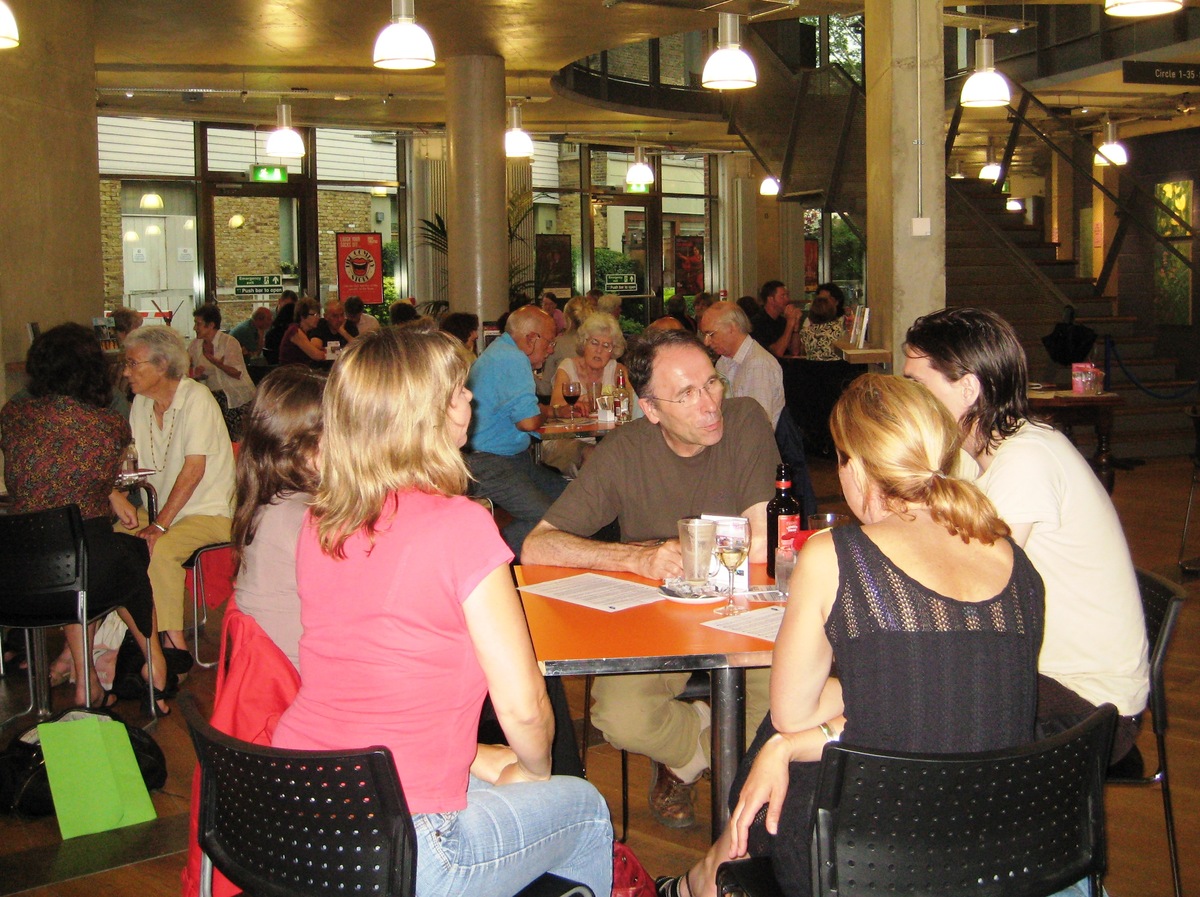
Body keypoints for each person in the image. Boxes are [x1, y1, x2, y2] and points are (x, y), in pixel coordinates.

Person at [660, 374, 1046, 897]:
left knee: (768, 752)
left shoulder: (835, 555)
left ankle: (701, 882)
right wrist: (856, 698)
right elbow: (938, 707)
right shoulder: (1011, 557)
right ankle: (700, 881)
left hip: (872, 857)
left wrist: (796, 737)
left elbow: (793, 713)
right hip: (996, 844)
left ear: (858, 467)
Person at [271, 328, 612, 897]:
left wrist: (473, 756)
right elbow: (524, 707)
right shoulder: (459, 525)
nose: (469, 397)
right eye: (456, 390)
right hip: (404, 846)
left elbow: (376, 685)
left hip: (294, 809)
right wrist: (533, 773)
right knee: (582, 807)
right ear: (422, 417)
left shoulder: (322, 521)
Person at [523, 328, 779, 829]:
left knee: (788, 706)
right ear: (651, 409)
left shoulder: (746, 419)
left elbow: (759, 543)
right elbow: (537, 545)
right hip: (655, 616)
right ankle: (707, 740)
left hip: (744, 612)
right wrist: (635, 559)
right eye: (687, 394)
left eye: (711, 383)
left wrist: (673, 550)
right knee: (620, 719)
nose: (710, 404)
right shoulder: (625, 449)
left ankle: (684, 763)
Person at [902, 307, 1148, 767]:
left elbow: (972, 594)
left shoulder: (1027, 460)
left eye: (917, 385)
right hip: (1041, 677)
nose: (907, 399)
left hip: (1089, 707)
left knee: (908, 711)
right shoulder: (977, 456)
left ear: (968, 389)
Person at [1, 324, 173, 713]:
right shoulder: (107, 424)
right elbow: (95, 475)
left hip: (18, 572)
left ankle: (87, 682)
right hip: (80, 566)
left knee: (74, 563)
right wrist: (111, 494)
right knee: (129, 558)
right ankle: (155, 666)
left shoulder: (13, 414)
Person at [112, 325, 236, 671]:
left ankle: (173, 646)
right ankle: (120, 641)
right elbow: (132, 461)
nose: (126, 372)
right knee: (110, 544)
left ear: (162, 364)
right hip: (161, 510)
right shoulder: (141, 403)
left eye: (133, 364)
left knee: (161, 548)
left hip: (209, 512)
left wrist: (160, 525)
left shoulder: (197, 399)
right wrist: (115, 492)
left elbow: (194, 470)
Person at [230, 366, 325, 669]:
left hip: (273, 667)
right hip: (304, 672)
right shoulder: (303, 517)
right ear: (305, 444)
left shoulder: (270, 502)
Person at [465, 305, 567, 559]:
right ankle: (488, 563)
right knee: (547, 520)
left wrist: (549, 411)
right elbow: (528, 422)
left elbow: (523, 411)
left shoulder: (501, 352)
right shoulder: (513, 358)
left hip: (510, 460)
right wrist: (546, 413)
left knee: (572, 502)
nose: (551, 350)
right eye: (550, 342)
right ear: (531, 339)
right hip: (486, 463)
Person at [543, 312, 636, 474]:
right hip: (566, 439)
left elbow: (631, 406)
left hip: (607, 439)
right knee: (594, 455)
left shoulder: (618, 371)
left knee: (623, 454)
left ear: (613, 350)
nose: (599, 350)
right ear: (584, 343)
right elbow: (557, 405)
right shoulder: (567, 367)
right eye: (594, 342)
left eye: (606, 345)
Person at [699, 301, 784, 428]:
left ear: (731, 327)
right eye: (704, 335)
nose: (706, 342)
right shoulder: (723, 361)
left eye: (711, 334)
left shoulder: (759, 365)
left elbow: (758, 425)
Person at [189, 303, 256, 440]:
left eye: (198, 324)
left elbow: (237, 373)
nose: (195, 328)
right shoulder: (195, 345)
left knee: (236, 438)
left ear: (211, 325)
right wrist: (195, 373)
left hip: (235, 395)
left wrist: (217, 363)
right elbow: (185, 366)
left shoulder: (229, 342)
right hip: (214, 397)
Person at [750, 281, 801, 359]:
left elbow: (795, 352)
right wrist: (790, 323)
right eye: (782, 296)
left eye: (787, 295)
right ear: (771, 299)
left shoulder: (782, 321)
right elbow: (777, 353)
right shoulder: (757, 323)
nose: (787, 299)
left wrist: (795, 328)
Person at [797, 285, 846, 361]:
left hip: (812, 368)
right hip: (838, 367)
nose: (821, 304)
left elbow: (801, 351)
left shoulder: (806, 332)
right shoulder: (839, 329)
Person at [278, 298, 327, 366]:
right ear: (303, 316)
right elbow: (317, 356)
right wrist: (323, 353)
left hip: (298, 370)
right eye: (315, 315)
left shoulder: (304, 331)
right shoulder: (295, 331)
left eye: (318, 315)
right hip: (291, 371)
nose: (318, 318)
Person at [262, 289, 298, 365]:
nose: (287, 310)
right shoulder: (268, 315)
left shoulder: (294, 321)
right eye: (286, 306)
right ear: (279, 301)